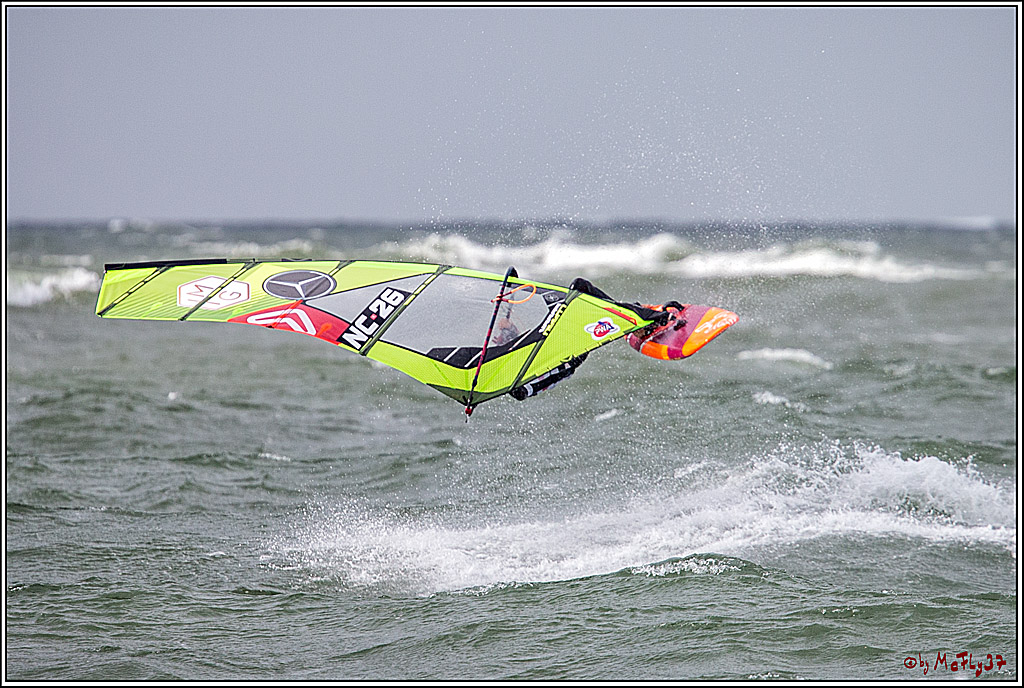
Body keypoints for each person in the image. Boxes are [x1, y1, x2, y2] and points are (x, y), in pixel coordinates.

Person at [506, 277, 677, 401]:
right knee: (521, 389)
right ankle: (643, 319)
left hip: (554, 335)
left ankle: (633, 315)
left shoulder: (511, 356)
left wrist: (509, 332)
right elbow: (522, 392)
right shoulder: (520, 386)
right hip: (568, 354)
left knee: (580, 286)